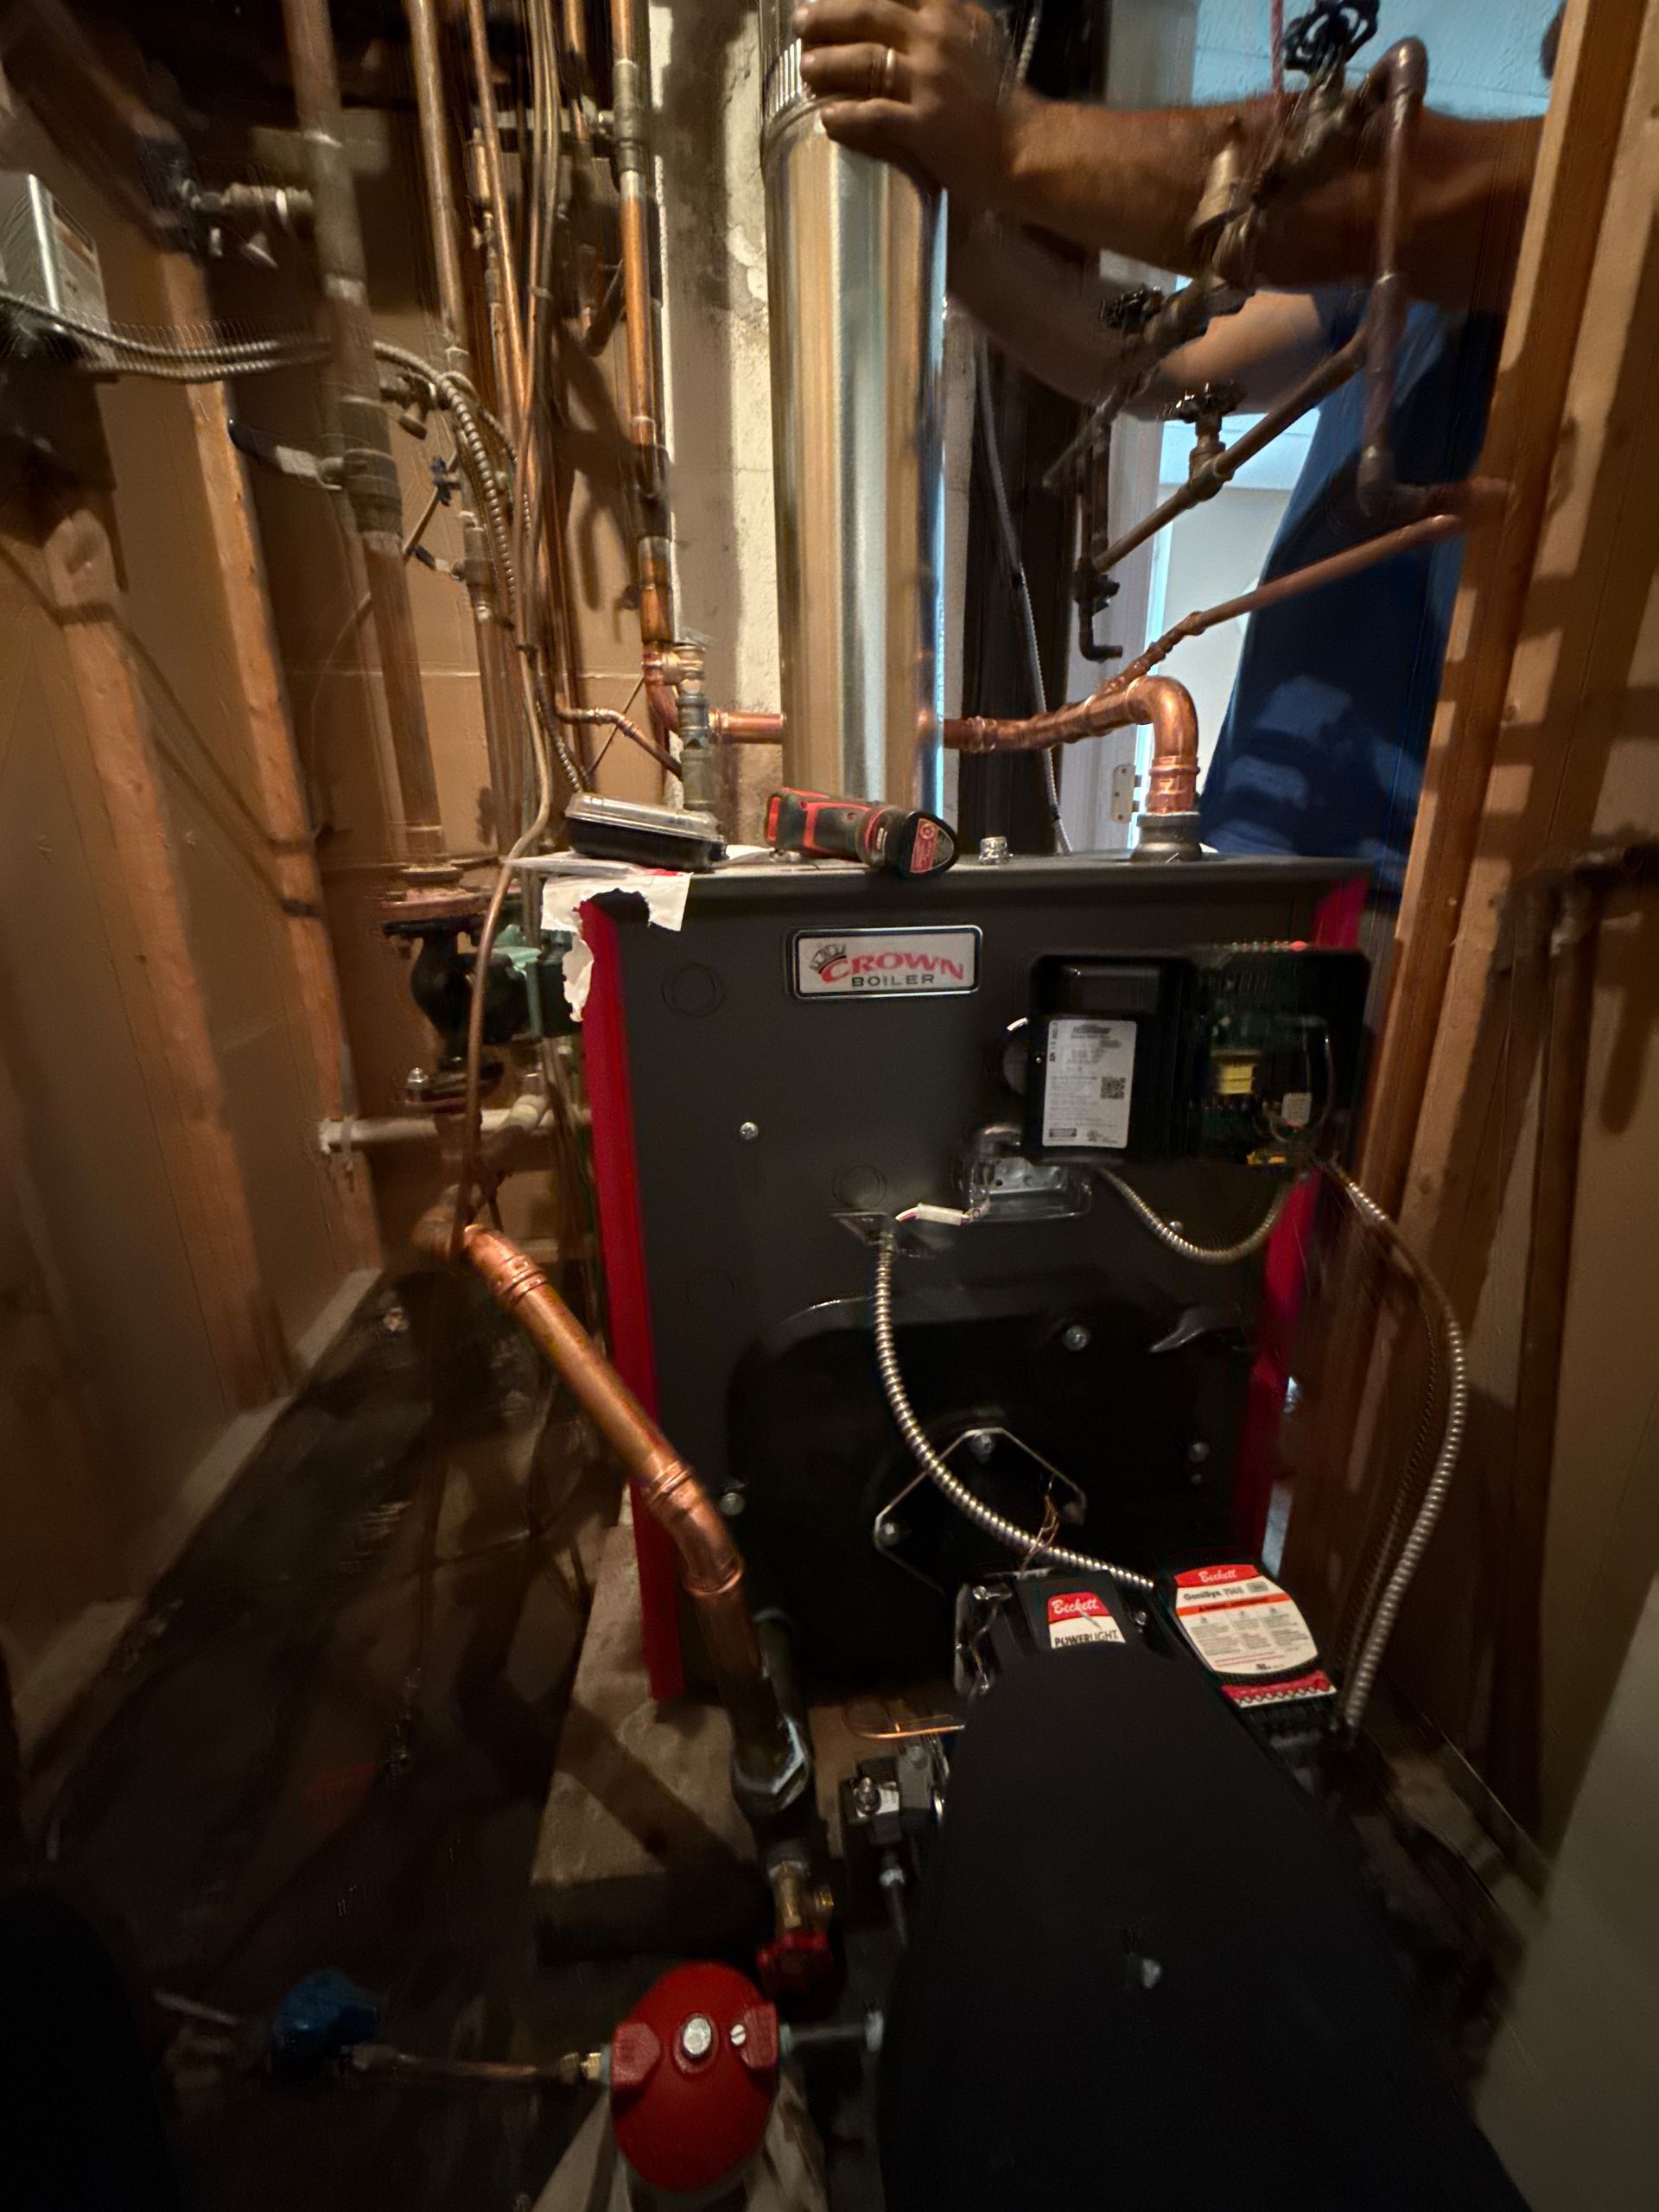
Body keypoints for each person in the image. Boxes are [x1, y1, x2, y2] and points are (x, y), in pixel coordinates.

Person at [793, 0, 1552, 895]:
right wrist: (958, 243)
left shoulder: (1570, 204)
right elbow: (1161, 359)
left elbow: (1379, 187)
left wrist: (1009, 138)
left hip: (1433, 899)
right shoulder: (1409, 289)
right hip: (1262, 845)